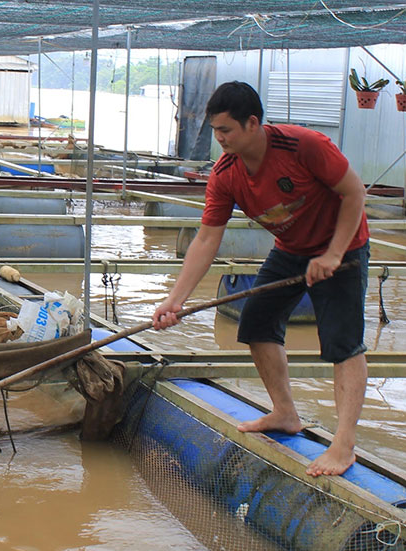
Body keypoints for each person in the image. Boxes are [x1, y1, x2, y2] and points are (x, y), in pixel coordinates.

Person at [151, 81, 369, 477]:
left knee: (343, 342)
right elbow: (207, 237)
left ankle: (343, 444)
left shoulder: (304, 146)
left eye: (225, 130)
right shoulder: (226, 173)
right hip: (291, 249)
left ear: (252, 123)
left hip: (343, 246)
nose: (218, 139)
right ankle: (285, 414)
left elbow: (354, 194)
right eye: (215, 131)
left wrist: (334, 254)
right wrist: (175, 299)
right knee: (255, 323)